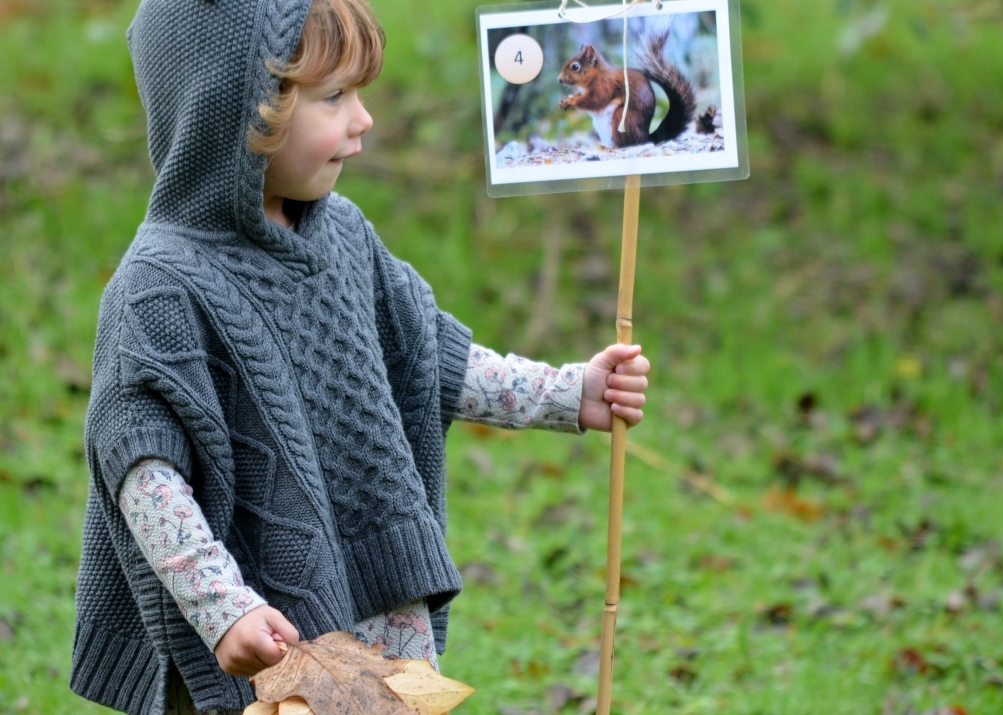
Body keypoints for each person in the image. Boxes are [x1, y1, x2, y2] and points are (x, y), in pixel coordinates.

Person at [70, 0, 651, 713]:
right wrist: (222, 607)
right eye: (334, 96)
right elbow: (144, 474)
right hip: (260, 628)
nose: (363, 119)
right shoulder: (160, 285)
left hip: (379, 593)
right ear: (232, 111)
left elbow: (429, 353)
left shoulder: (343, 234)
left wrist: (569, 393)